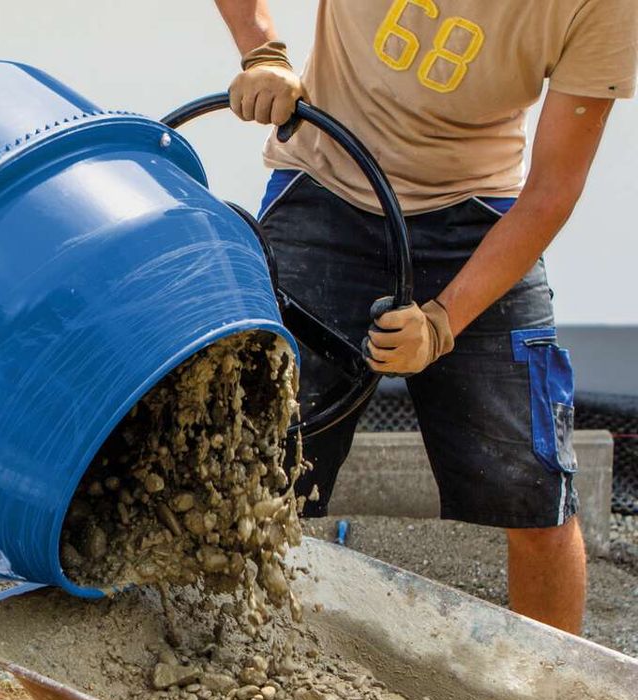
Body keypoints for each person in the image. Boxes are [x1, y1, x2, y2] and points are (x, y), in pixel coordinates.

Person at [214, 0, 636, 633]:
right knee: (253, 468)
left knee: (536, 494)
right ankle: (219, 670)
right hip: (325, 187)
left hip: (477, 213)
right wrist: (262, 50)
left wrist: (444, 319)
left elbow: (552, 187)